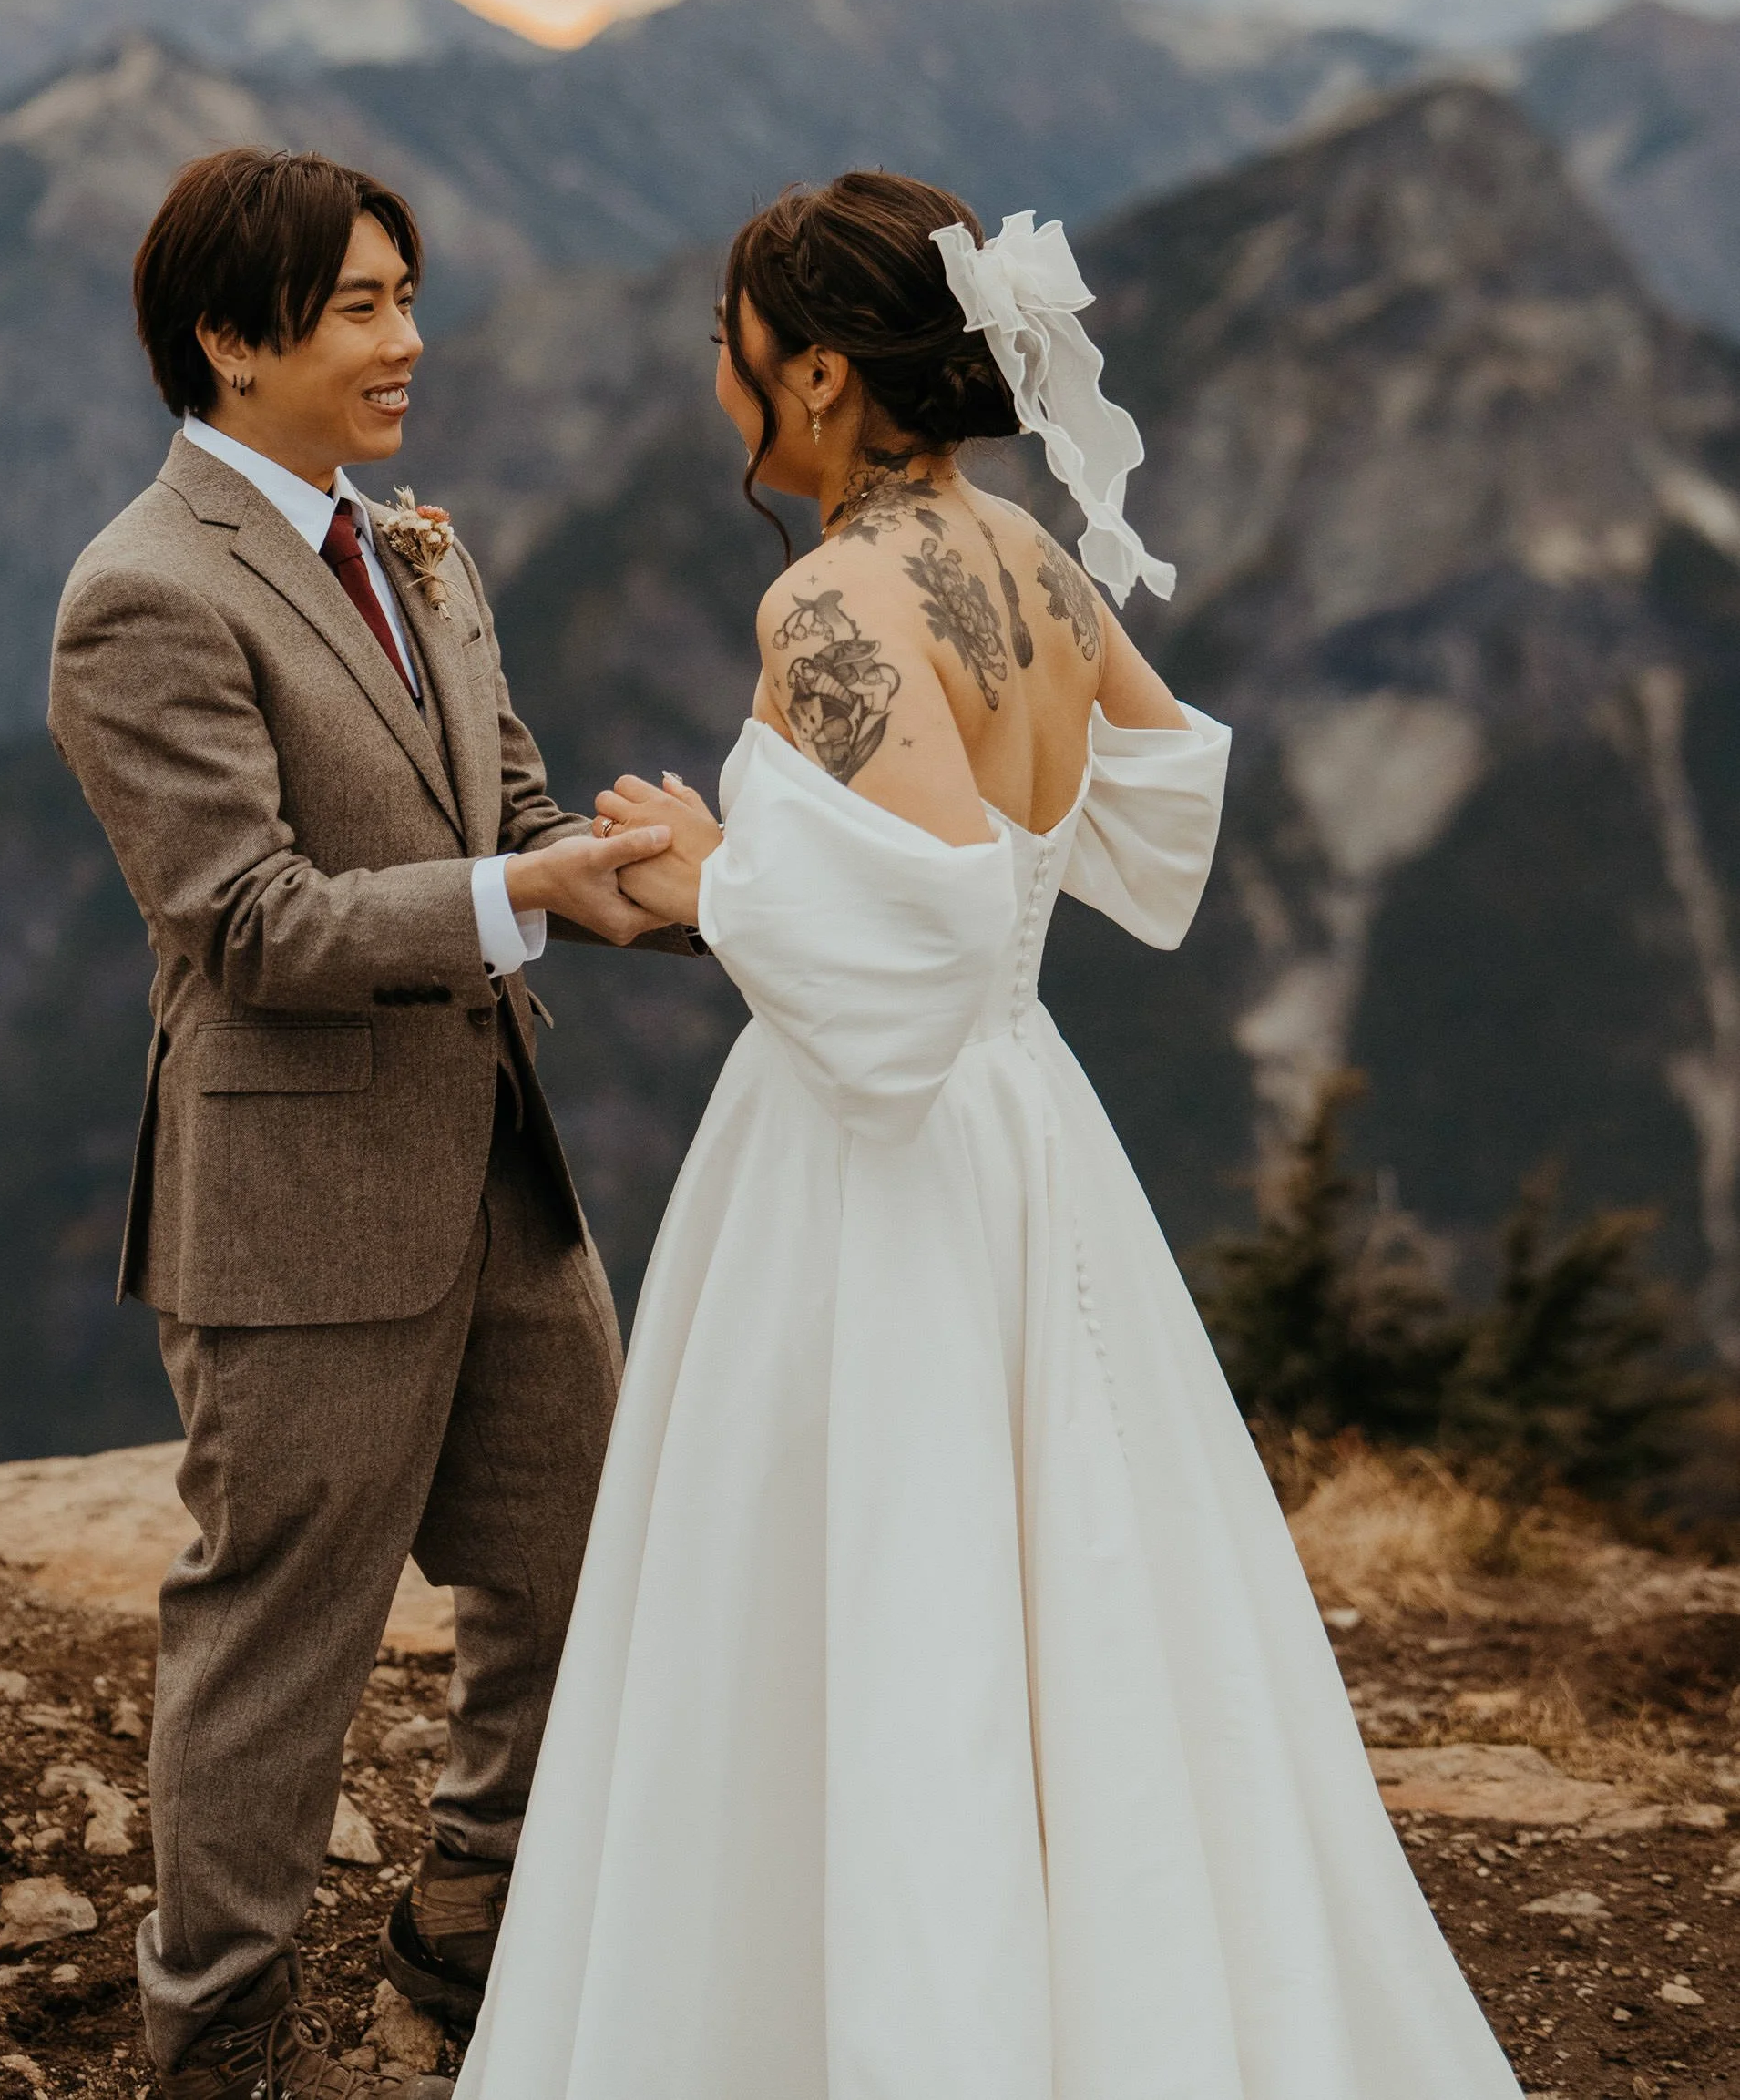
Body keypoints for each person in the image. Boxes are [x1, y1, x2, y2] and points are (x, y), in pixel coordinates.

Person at [459, 170, 1524, 2100]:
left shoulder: (824, 599)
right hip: (1029, 1125)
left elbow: (928, 925)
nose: (717, 380)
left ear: (824, 377)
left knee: (869, 1592)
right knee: (1074, 1590)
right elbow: (1160, 777)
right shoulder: (1028, 550)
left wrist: (711, 883)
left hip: (876, 1157)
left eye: (734, 349)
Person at [47, 147, 677, 2100]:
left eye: (405, 294)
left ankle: (475, 1912)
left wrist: (624, 853)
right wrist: (529, 900)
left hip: (495, 1171)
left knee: (590, 1566)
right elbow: (239, 923)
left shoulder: (418, 548)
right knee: (275, 1654)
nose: (407, 340)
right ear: (229, 343)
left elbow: (508, 799)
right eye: (356, 309)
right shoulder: (138, 595)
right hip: (297, 1204)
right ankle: (215, 2043)